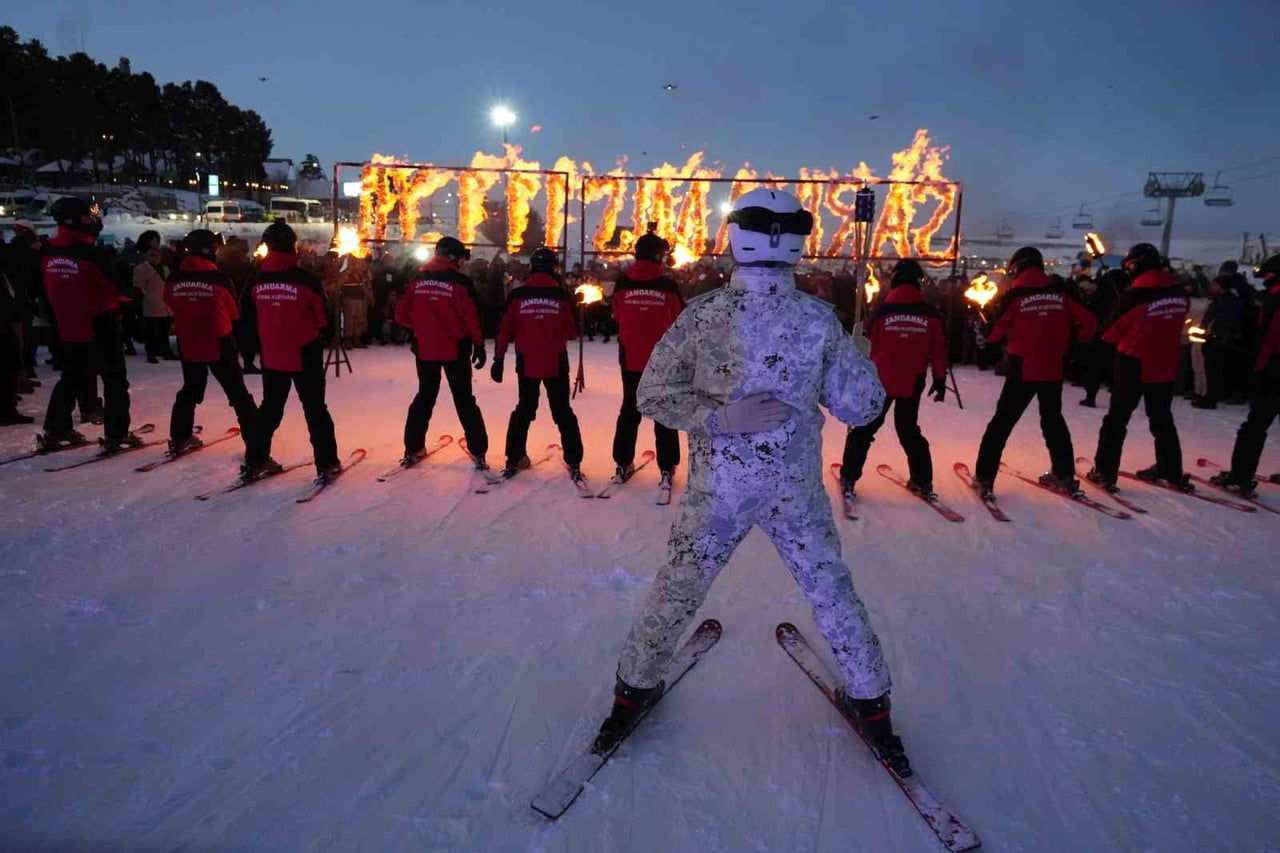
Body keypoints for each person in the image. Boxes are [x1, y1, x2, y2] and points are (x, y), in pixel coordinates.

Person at [594, 189, 908, 774]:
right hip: (794, 493)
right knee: (830, 591)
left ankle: (631, 691)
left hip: (720, 493)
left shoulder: (705, 314)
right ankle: (872, 702)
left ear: (736, 237)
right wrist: (860, 358)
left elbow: (652, 394)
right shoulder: (818, 318)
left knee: (678, 587)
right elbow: (862, 408)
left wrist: (716, 419)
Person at [972, 247, 1097, 498]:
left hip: (1023, 368)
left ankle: (985, 478)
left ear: (1017, 267)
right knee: (1053, 422)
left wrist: (983, 333)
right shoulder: (1061, 292)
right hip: (1053, 367)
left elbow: (994, 334)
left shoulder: (1015, 296)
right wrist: (1075, 345)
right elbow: (1090, 323)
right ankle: (1063, 475)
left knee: (1001, 425)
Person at [37, 197, 142, 451]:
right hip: (100, 321)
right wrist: (133, 294)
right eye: (89, 216)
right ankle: (117, 433)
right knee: (114, 379)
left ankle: (56, 428)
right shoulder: (93, 255)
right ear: (78, 220)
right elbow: (120, 291)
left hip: (68, 323)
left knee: (71, 376)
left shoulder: (48, 252)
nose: (93, 220)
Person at [1086, 243, 1192, 491]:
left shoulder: (1135, 296)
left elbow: (1110, 334)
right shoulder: (1179, 293)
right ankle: (1171, 470)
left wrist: (1121, 301)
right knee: (1162, 419)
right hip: (1166, 364)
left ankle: (1104, 471)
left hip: (1134, 363)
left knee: (1117, 420)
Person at [242, 221, 341, 483]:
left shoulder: (256, 280)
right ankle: (327, 463)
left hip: (272, 354)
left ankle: (255, 459)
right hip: (304, 351)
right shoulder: (305, 280)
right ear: (294, 247)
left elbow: (247, 319)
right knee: (315, 409)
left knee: (270, 409)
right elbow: (322, 318)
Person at [840, 259, 947, 500]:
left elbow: (868, 342)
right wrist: (940, 380)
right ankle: (922, 480)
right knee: (908, 430)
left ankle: (849, 477)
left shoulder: (882, 311)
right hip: (913, 380)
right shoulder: (930, 313)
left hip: (881, 380)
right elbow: (939, 349)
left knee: (865, 429)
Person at [395, 236, 490, 470]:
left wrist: (420, 329)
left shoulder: (417, 279)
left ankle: (413, 447)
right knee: (464, 399)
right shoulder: (460, 283)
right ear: (454, 258)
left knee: (425, 396)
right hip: (455, 349)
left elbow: (401, 314)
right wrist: (478, 345)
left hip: (425, 348)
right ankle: (478, 450)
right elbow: (472, 318)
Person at [491, 247, 585, 482]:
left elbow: (504, 331)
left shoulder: (517, 295)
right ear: (554, 268)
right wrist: (577, 310)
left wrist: (498, 359)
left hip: (527, 361)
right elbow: (572, 333)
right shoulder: (561, 295)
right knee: (562, 411)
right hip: (555, 361)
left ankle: (515, 456)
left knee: (524, 408)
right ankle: (573, 459)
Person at [162, 229, 257, 457]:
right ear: (208, 251)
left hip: (188, 341)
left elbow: (168, 302)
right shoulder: (219, 278)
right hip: (218, 340)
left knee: (190, 389)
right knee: (237, 393)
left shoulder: (174, 277)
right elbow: (234, 313)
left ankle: (180, 435)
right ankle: (256, 443)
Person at [609, 232, 684, 487]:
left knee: (630, 408)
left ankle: (622, 461)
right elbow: (679, 320)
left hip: (630, 356)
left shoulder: (622, 283)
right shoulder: (668, 286)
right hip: (662, 358)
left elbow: (617, 316)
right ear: (659, 256)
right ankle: (667, 465)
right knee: (663, 410)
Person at [1210, 254, 1280, 496]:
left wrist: (1257, 371)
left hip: (1274, 370)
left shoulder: (1275, 298)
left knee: (1254, 427)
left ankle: (1240, 476)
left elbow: (1271, 338)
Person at [1192, 271, 1243, 409]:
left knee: (1212, 370)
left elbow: (1223, 322)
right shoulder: (1222, 300)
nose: (1211, 287)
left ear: (1220, 286)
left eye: (1214, 284)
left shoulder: (1226, 302)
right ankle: (1208, 396)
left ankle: (1210, 398)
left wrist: (1214, 334)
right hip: (1214, 338)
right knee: (1210, 369)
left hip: (1217, 340)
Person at [1079, 269, 1125, 407]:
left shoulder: (1099, 296)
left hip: (1100, 335)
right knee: (1115, 368)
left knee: (1095, 368)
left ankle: (1091, 396)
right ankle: (1117, 395)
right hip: (1116, 337)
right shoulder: (1122, 297)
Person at [133, 230, 173, 363]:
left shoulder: (165, 268)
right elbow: (138, 287)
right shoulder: (141, 269)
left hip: (164, 304)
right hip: (151, 304)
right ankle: (152, 352)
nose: (155, 255)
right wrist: (145, 299)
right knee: (152, 331)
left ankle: (165, 350)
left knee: (164, 330)